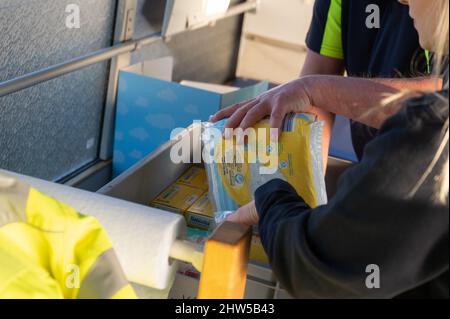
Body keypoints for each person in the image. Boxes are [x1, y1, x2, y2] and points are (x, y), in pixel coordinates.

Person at [214, 0, 449, 298]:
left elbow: (319, 269)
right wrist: (306, 196)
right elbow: (313, 96)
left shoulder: (428, 133)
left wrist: (273, 204)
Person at [211, 0, 442, 161]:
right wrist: (303, 185)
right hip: (373, 169)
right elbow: (314, 96)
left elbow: (441, 101)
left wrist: (313, 89)